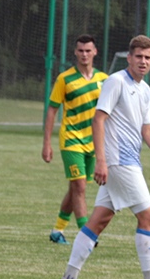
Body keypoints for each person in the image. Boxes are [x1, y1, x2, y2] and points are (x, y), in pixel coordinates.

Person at [56, 35, 150, 279]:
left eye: (148, 57)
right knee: (149, 217)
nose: (143, 61)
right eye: (139, 56)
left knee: (99, 220)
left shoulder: (144, 89)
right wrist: (101, 160)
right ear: (129, 58)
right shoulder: (116, 81)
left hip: (128, 161)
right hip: (119, 162)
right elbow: (98, 120)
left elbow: (147, 130)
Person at [42, 35, 108, 244]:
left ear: (95, 52)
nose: (84, 54)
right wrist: (46, 143)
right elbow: (52, 110)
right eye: (81, 51)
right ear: (75, 52)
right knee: (79, 187)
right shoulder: (65, 79)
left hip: (93, 143)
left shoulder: (104, 80)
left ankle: (57, 231)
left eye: (88, 51)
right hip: (71, 139)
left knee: (75, 188)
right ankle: (86, 236)